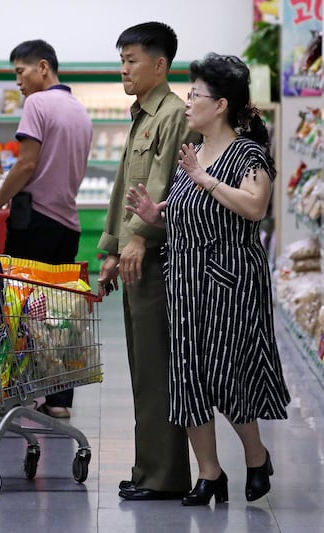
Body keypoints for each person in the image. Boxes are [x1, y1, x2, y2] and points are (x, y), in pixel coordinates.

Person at [124, 52, 291, 506]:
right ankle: (210, 473)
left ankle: (256, 457)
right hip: (185, 278)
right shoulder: (191, 153)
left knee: (228, 375)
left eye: (195, 95)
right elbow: (188, 219)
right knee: (188, 378)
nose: (189, 101)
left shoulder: (247, 153)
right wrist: (154, 216)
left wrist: (202, 179)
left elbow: (255, 206)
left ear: (220, 105)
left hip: (230, 282)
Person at [96, 21, 198, 501]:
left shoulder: (175, 114)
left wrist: (137, 241)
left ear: (160, 64)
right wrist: (112, 248)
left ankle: (164, 476)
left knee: (158, 369)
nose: (123, 70)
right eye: (121, 61)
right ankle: (147, 469)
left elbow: (165, 186)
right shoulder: (142, 115)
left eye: (131, 60)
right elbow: (125, 189)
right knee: (141, 367)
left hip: (158, 260)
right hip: (136, 258)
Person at [0, 39, 92, 419]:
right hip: (67, 225)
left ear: (43, 67)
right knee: (57, 314)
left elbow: (26, 165)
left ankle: (16, 391)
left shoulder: (37, 104)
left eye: (20, 72)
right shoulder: (79, 110)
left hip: (34, 222)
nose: (19, 82)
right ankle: (59, 400)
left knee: (21, 310)